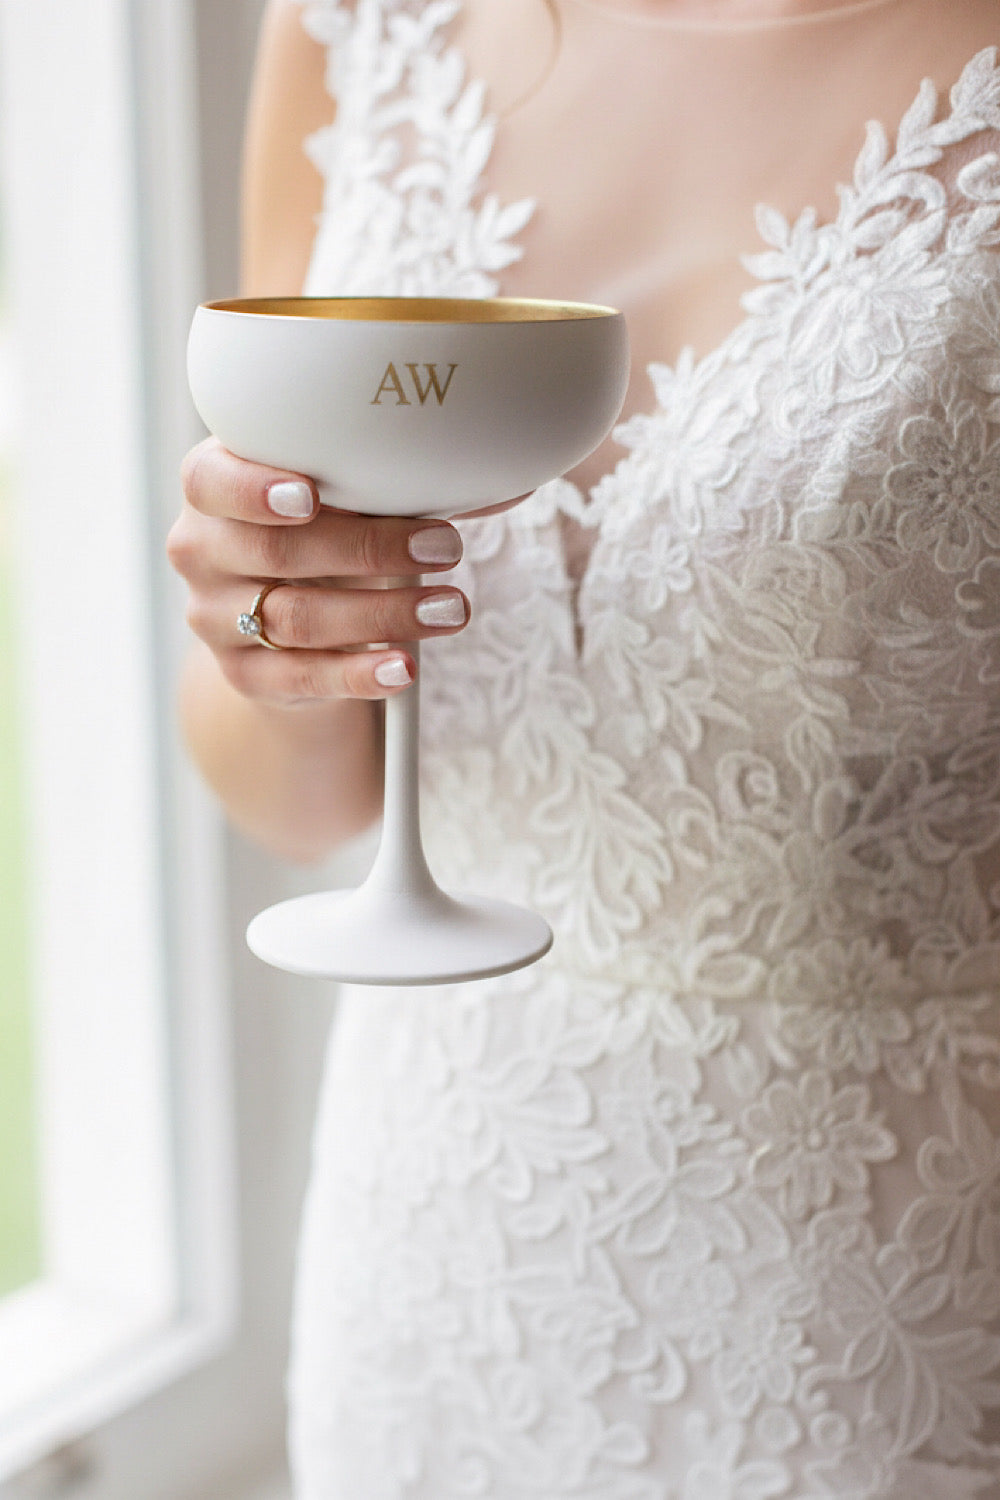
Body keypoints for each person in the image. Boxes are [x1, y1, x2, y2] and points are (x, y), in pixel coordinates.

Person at [167, 0, 1000, 1493]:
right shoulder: (361, 25)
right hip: (435, 1252)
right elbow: (300, 804)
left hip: (890, 1303)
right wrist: (275, 641)